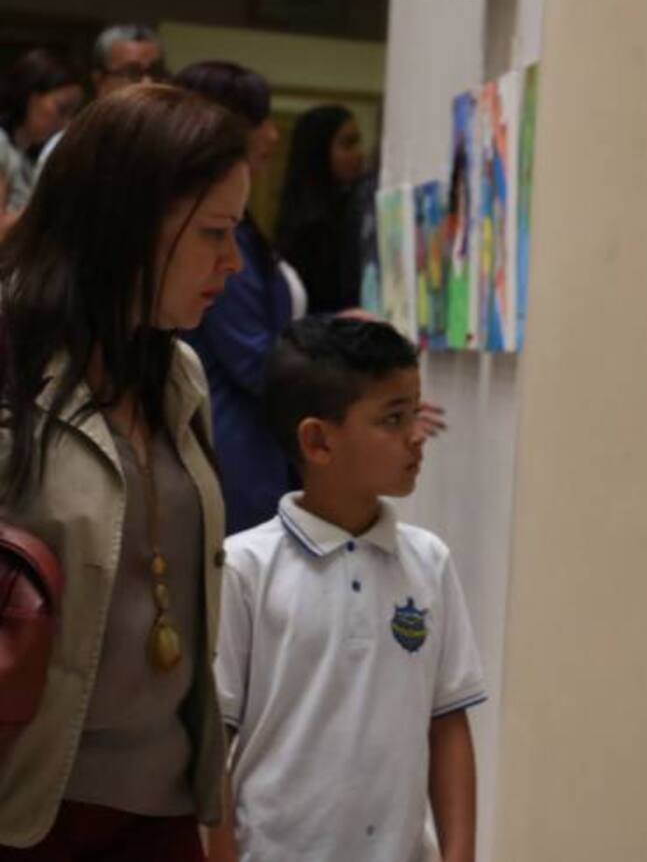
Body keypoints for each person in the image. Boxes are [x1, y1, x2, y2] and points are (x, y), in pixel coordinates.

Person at [0, 85, 249, 857]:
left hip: (163, 810)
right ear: (132, 225)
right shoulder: (12, 366)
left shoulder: (177, 375)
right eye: (213, 233)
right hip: (29, 813)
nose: (232, 262)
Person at [210, 316, 484, 862]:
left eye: (415, 412)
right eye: (392, 418)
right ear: (318, 441)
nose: (416, 436)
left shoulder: (429, 563)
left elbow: (447, 723)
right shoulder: (244, 568)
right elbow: (213, 745)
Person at [173, 60, 304, 535]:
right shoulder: (221, 241)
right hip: (232, 445)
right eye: (260, 121)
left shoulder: (239, 229)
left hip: (247, 443)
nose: (271, 135)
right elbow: (252, 358)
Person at [31, 23, 166, 187]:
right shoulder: (71, 147)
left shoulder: (169, 144)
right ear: (99, 79)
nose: (148, 83)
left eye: (156, 71)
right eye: (132, 73)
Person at [276, 104, 366, 314]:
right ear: (319, 151)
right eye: (348, 144)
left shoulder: (354, 205)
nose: (359, 154)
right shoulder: (308, 228)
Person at [0, 48, 83, 231]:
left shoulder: (31, 155)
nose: (67, 122)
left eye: (73, 113)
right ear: (31, 97)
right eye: (61, 109)